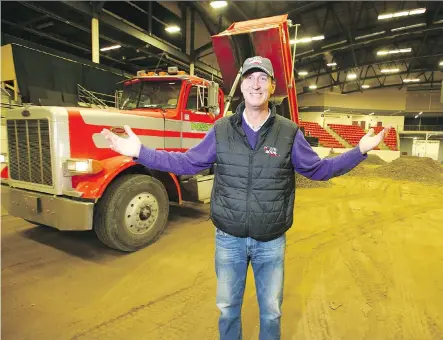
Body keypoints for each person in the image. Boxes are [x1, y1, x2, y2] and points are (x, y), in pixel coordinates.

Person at [101, 56, 389, 340]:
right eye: (250, 77)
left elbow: (320, 170)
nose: (256, 84)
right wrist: (141, 152)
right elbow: (187, 163)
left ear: (272, 86)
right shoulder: (221, 130)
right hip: (229, 239)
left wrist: (359, 151)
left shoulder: (288, 132)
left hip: (271, 241)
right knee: (227, 309)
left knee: (272, 311)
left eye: (263, 78)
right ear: (241, 86)